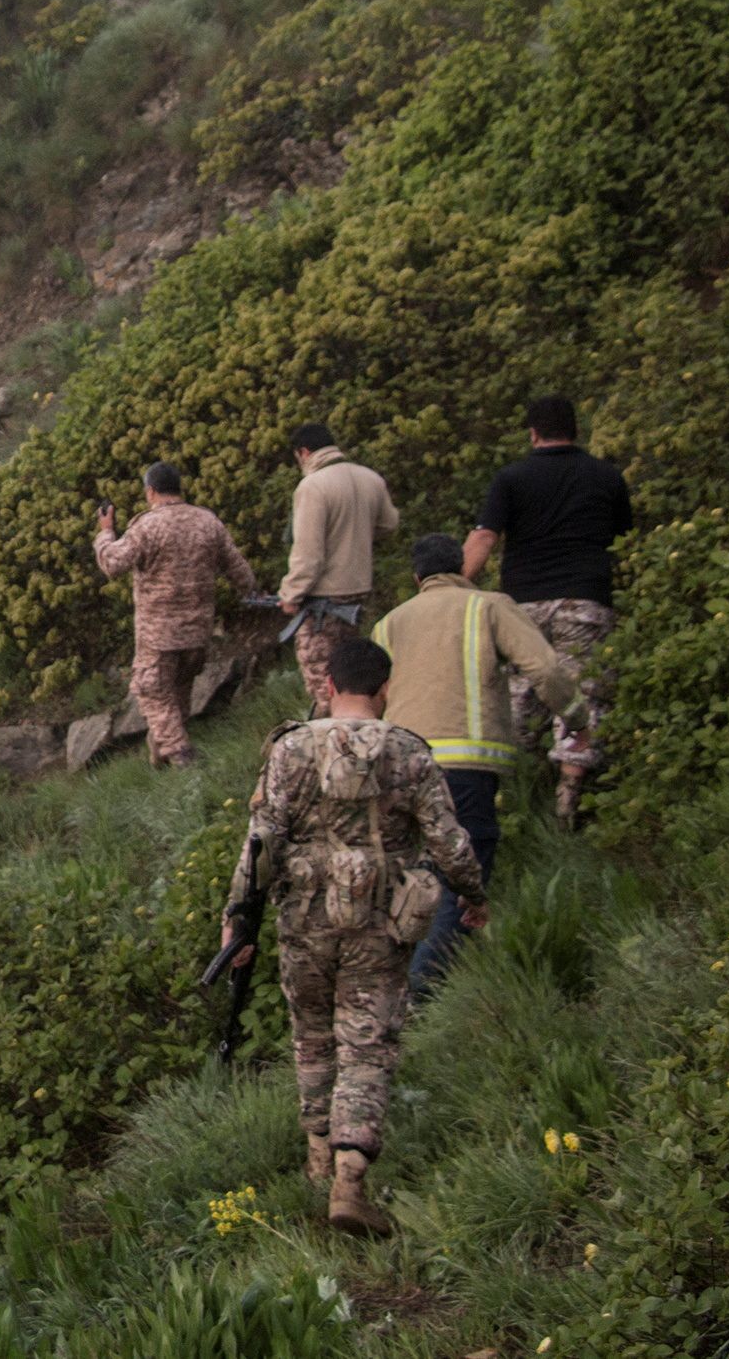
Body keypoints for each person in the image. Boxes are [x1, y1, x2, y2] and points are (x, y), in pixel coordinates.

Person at [217, 636, 489, 1235]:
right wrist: (473, 895)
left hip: (304, 922)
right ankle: (349, 1178)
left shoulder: (289, 749)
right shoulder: (410, 753)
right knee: (367, 1045)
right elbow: (449, 843)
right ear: (386, 689)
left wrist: (237, 919)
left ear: (329, 686)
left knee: (311, 1037)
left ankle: (317, 1161)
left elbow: (261, 842)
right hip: (380, 926)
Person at [372, 533, 585, 995]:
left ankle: (390, 986)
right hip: (463, 765)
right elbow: (546, 670)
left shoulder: (389, 623)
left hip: (395, 766)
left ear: (416, 577)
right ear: (467, 569)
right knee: (459, 875)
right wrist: (577, 719)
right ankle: (422, 993)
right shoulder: (489, 606)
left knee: (412, 875)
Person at [463, 396, 633, 827]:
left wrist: (452, 585)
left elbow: (485, 538)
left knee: (521, 690)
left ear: (532, 432)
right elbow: (625, 540)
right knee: (584, 693)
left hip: (525, 605)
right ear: (577, 430)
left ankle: (514, 792)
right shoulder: (606, 476)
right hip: (586, 599)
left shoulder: (512, 478)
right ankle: (569, 798)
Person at [93, 462, 258, 767]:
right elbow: (239, 570)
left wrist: (105, 533)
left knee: (152, 692)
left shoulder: (148, 526)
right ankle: (161, 762)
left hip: (159, 636)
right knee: (178, 696)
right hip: (198, 631)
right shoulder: (207, 522)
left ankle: (184, 757)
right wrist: (251, 594)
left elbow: (113, 564)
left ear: (150, 491)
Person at [277, 422, 400, 717]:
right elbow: (389, 524)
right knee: (354, 677)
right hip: (359, 595)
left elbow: (308, 554)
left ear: (304, 452)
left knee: (324, 683)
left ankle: (328, 743)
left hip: (323, 603)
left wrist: (291, 593)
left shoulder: (313, 486)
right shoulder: (370, 478)